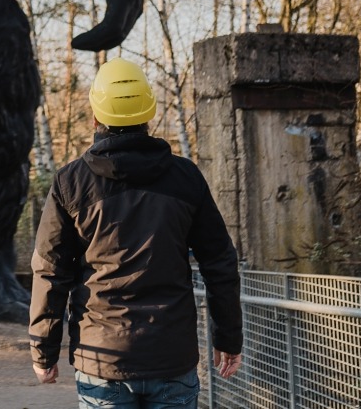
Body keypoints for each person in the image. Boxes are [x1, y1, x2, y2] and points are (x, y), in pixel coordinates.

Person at [30, 59, 243, 407]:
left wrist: (43, 348)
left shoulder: (71, 183)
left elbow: (51, 271)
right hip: (171, 357)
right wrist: (229, 339)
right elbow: (220, 263)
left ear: (96, 115)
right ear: (149, 113)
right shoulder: (185, 178)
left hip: (102, 359)